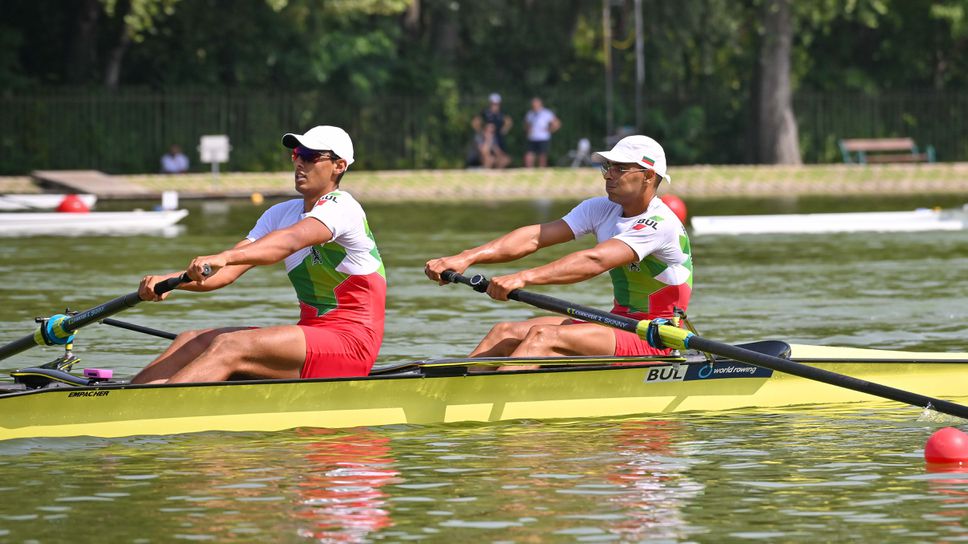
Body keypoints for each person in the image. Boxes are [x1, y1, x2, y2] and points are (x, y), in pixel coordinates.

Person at [132, 125, 386, 384]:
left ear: (339, 165)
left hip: (351, 342)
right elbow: (224, 272)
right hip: (311, 335)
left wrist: (225, 257)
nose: (299, 162)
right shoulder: (280, 214)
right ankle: (129, 397)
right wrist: (167, 281)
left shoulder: (343, 207)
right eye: (297, 154)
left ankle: (148, 412)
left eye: (310, 156)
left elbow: (289, 241)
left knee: (229, 345)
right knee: (191, 339)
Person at [425, 135, 691, 360]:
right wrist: (466, 257)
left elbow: (595, 261)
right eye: (608, 166)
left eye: (620, 169)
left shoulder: (659, 223)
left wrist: (523, 277)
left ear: (648, 176)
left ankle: (489, 405)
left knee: (543, 336)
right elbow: (534, 237)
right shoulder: (600, 209)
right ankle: (457, 389)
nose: (608, 174)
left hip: (658, 336)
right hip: (619, 321)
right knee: (503, 332)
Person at [471, 93, 513, 168]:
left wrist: (504, 130)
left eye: (496, 103)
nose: (494, 105)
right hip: (487, 137)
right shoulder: (485, 112)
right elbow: (475, 122)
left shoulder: (502, 113)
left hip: (498, 137)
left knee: (503, 158)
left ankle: (497, 173)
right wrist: (481, 131)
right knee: (488, 157)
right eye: (493, 103)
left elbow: (508, 122)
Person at [523, 97, 561, 167]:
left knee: (542, 156)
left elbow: (557, 123)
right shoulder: (530, 114)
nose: (534, 105)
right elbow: (526, 125)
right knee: (529, 155)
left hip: (543, 138)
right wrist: (528, 130)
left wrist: (549, 130)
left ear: (540, 104)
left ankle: (542, 171)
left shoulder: (546, 113)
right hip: (532, 138)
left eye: (535, 104)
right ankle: (528, 171)